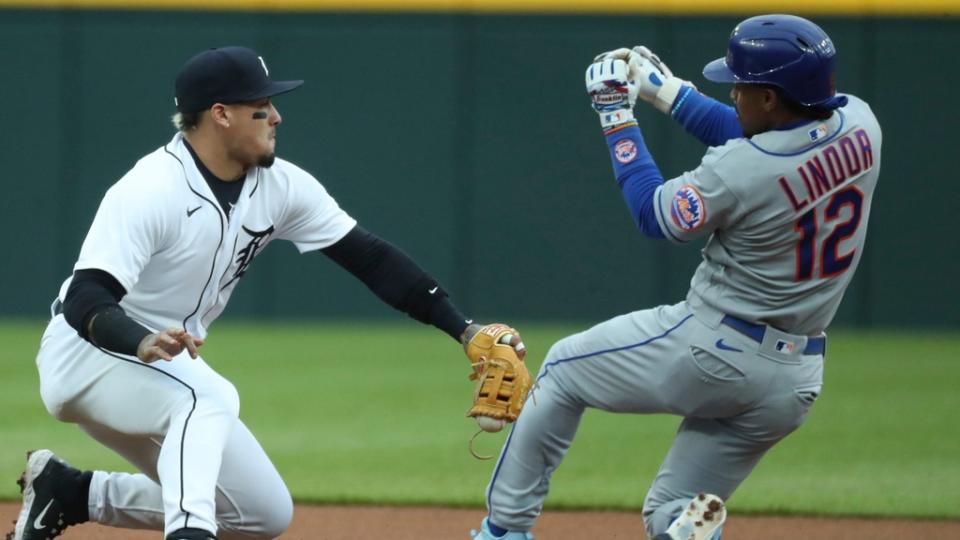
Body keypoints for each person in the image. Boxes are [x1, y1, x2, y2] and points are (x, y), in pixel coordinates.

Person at [9, 46, 523, 540]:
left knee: (260, 512)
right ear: (221, 115)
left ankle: (72, 493)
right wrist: (140, 341)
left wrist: (463, 328)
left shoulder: (281, 186)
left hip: (164, 365)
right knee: (208, 395)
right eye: (261, 107)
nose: (276, 116)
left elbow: (370, 258)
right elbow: (85, 297)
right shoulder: (149, 189)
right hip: (90, 353)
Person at [469, 14, 881, 540]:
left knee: (563, 369)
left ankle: (503, 531)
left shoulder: (743, 170)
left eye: (743, 85)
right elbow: (758, 133)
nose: (734, 93)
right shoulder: (862, 124)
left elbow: (654, 213)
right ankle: (682, 527)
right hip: (794, 382)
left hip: (714, 350)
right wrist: (668, 94)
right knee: (671, 506)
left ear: (773, 98)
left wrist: (616, 115)